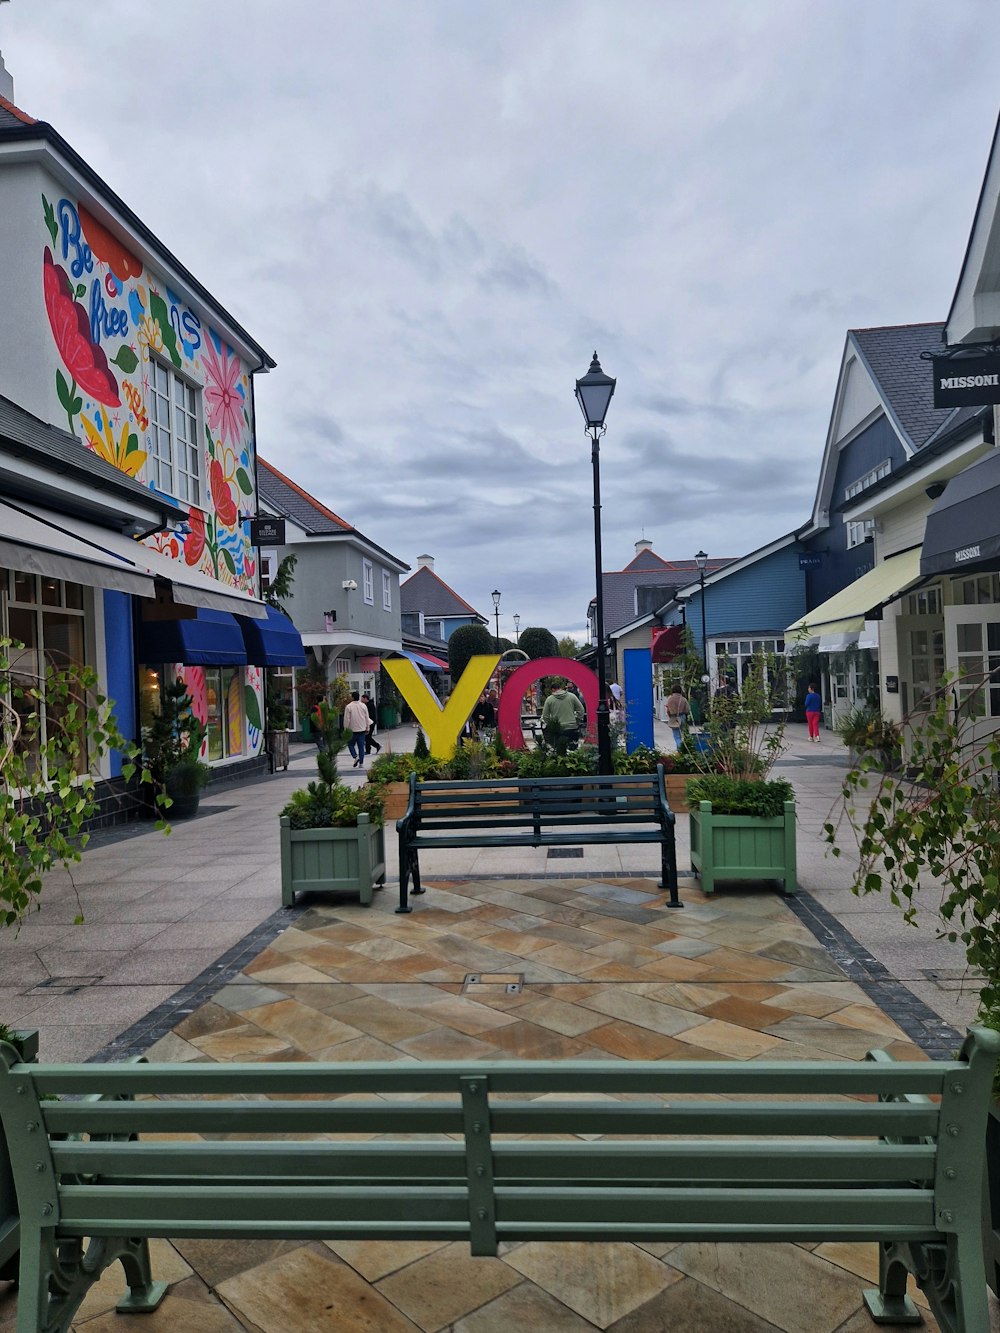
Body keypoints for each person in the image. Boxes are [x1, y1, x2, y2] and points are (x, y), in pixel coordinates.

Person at [541, 679, 585, 752]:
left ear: (553, 690)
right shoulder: (572, 696)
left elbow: (545, 716)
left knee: (559, 751)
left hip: (558, 729)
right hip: (572, 728)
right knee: (573, 751)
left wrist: (552, 725)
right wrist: (577, 721)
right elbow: (581, 710)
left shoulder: (549, 699)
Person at [343, 691, 371, 768]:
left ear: (352, 697)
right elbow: (366, 717)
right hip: (362, 729)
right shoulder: (363, 706)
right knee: (361, 747)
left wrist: (346, 729)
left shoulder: (349, 706)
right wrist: (367, 727)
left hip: (352, 730)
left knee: (350, 744)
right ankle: (361, 763)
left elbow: (347, 719)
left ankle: (355, 756)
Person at [665, 685, 689, 750]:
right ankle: (684, 748)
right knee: (683, 734)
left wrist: (670, 717)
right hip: (682, 716)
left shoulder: (670, 699)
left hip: (673, 717)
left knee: (676, 735)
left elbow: (668, 710)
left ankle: (679, 749)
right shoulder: (683, 699)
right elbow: (687, 710)